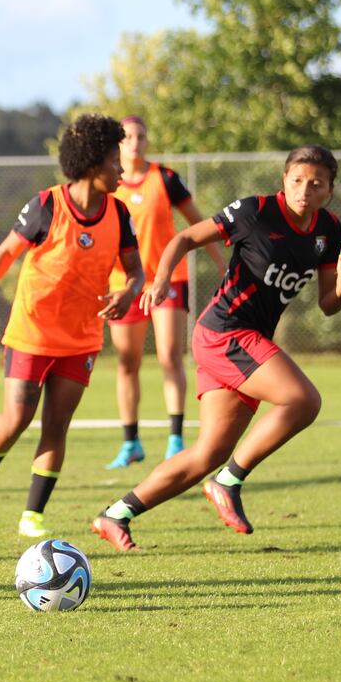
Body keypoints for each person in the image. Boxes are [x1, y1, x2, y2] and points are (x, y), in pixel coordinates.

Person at [91, 145, 341, 551]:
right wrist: (160, 279)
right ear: (284, 180)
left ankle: (115, 514)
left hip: (243, 339)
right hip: (226, 331)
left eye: (316, 183)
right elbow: (184, 238)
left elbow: (328, 306)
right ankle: (228, 482)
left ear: (330, 192)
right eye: (297, 180)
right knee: (303, 400)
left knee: (208, 451)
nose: (305, 189)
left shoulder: (329, 230)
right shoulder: (256, 212)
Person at [0, 114, 145, 539]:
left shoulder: (118, 214)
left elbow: (136, 271)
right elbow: (6, 253)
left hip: (81, 339)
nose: (121, 169)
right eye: (115, 160)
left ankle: (33, 516)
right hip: (32, 332)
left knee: (56, 425)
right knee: (16, 418)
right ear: (93, 164)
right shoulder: (47, 205)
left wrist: (130, 291)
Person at [104, 117, 226, 469]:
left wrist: (222, 264)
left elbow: (200, 225)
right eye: (127, 137)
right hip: (124, 284)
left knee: (170, 356)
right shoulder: (109, 184)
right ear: (118, 144)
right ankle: (131, 443)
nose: (135, 142)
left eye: (141, 136)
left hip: (168, 280)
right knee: (128, 363)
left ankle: (175, 440)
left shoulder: (166, 178)